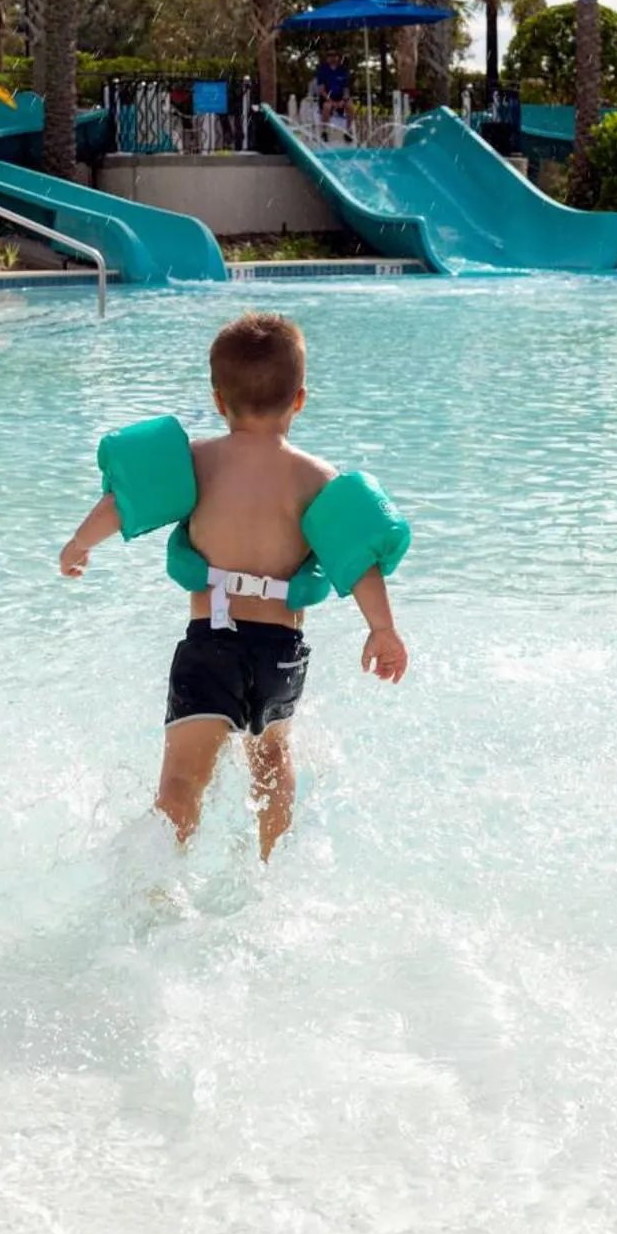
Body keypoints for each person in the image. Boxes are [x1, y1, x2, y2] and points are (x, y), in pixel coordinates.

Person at [59, 313, 410, 860]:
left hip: (211, 646)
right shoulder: (317, 479)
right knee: (273, 766)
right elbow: (358, 559)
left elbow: (124, 502)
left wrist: (80, 544)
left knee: (180, 785)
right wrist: (382, 630)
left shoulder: (196, 463)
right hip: (279, 654)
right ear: (299, 400)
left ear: (218, 399)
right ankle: (274, 871)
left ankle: (151, 888)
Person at [314, 48, 354, 133]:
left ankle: (348, 130)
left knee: (350, 106)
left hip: (340, 98)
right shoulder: (323, 70)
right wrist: (332, 102)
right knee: (327, 107)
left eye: (335, 55)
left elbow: (346, 90)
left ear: (338, 57)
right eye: (330, 55)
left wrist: (343, 101)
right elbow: (322, 90)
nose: (332, 58)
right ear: (327, 57)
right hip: (327, 98)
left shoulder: (343, 70)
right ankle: (325, 131)